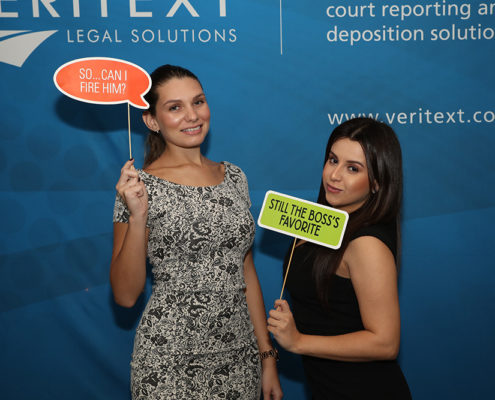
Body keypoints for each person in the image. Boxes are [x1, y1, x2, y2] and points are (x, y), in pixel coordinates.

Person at [110, 64, 282, 400]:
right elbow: (125, 296)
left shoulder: (235, 177)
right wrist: (138, 215)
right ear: (152, 121)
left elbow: (245, 270)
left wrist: (267, 356)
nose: (192, 115)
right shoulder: (137, 188)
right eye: (175, 107)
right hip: (167, 363)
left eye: (198, 102)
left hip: (239, 360)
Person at [267, 117, 411, 399]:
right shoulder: (327, 220)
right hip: (325, 387)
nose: (334, 175)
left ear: (376, 183)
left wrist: (298, 341)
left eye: (352, 168)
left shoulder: (366, 243)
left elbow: (385, 343)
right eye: (333, 160)